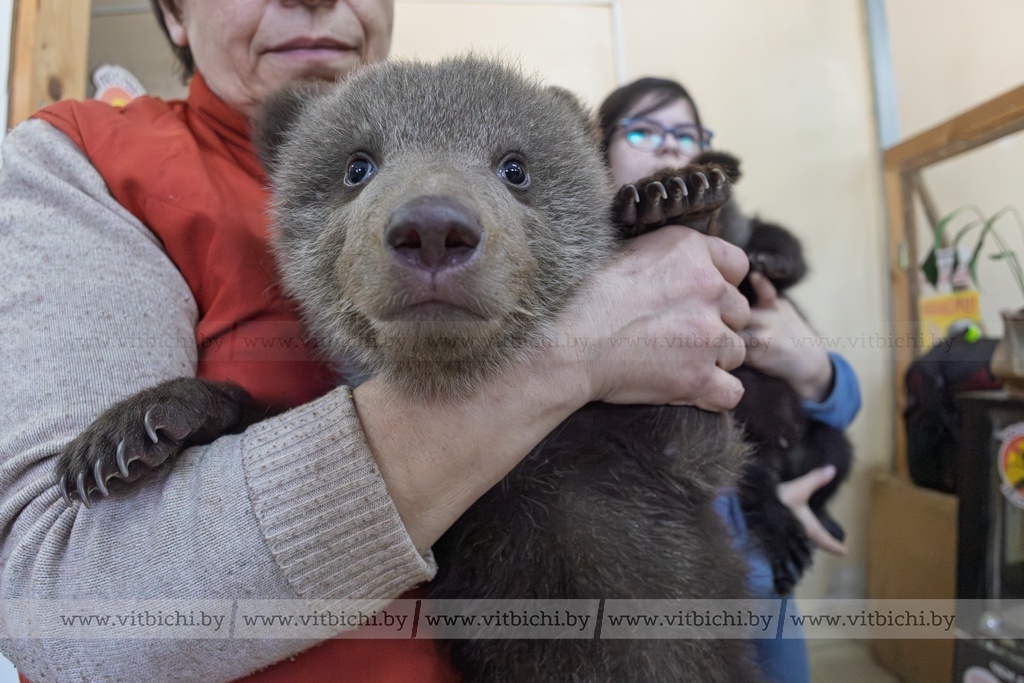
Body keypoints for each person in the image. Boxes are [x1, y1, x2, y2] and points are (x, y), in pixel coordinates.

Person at [0, 3, 753, 682]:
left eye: (514, 171)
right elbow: (60, 610)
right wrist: (575, 351)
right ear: (171, 12)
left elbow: (701, 457)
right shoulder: (86, 163)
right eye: (359, 170)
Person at [598, 77, 862, 683]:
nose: (669, 149)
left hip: (770, 581)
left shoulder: (737, 251)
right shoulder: (593, 278)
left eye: (686, 134)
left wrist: (817, 369)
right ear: (601, 148)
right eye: (643, 131)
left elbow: (839, 402)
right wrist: (762, 528)